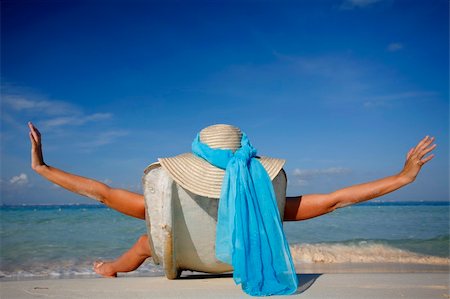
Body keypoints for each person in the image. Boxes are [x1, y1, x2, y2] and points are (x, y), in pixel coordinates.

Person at [28, 122, 436, 279]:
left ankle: (109, 270)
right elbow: (334, 200)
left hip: (186, 259)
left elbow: (99, 192)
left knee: (145, 241)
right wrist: (402, 177)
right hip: (242, 264)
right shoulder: (265, 200)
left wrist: (45, 169)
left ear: (195, 161)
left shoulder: (166, 200)